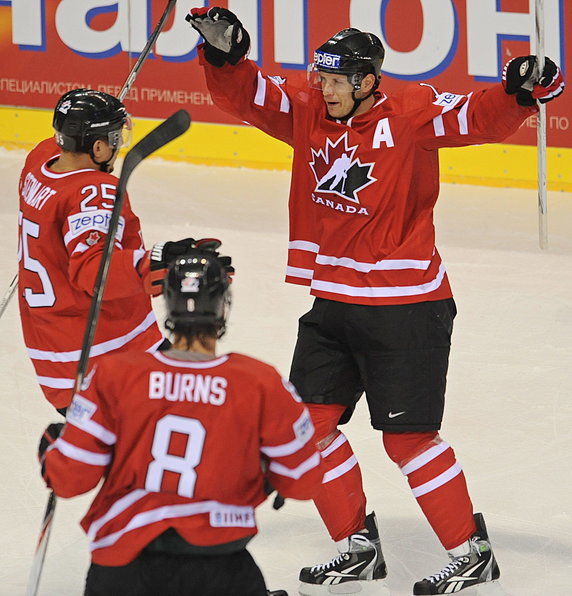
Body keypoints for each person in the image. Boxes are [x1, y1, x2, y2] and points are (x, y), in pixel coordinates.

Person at [186, 7, 565, 595]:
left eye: (338, 81)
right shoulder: (310, 109)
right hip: (333, 303)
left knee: (407, 440)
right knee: (307, 428)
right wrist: (225, 57)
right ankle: (357, 546)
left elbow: (475, 118)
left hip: (406, 306)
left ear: (368, 81)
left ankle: (471, 551)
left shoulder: (411, 114)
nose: (325, 89)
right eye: (322, 78)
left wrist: (519, 89)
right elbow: (253, 96)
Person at [38, 243, 323, 596]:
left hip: (126, 569)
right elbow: (303, 481)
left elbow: (71, 479)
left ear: (167, 303)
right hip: (222, 569)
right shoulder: (261, 382)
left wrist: (53, 450)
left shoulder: (113, 375)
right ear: (224, 306)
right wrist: (264, 473)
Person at [18, 88, 195, 414]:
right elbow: (94, 270)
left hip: (61, 351)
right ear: (97, 147)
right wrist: (158, 262)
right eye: (114, 138)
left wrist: (89, 117)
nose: (117, 146)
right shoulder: (93, 191)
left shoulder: (40, 161)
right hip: (101, 359)